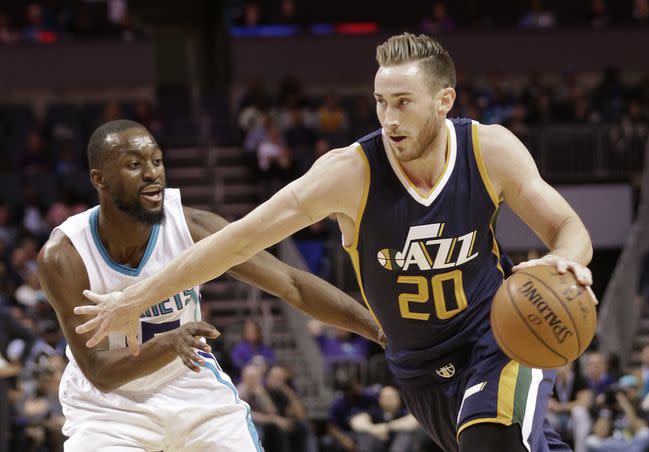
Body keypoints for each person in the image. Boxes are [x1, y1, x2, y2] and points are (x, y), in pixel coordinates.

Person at [77, 33, 595, 452]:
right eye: (380, 102)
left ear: (444, 102)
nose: (389, 118)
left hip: (499, 334)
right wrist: (136, 297)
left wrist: (565, 264)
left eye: (403, 103)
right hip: (418, 367)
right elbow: (237, 242)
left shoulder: (491, 150)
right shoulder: (349, 172)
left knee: (492, 438)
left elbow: (569, 230)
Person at [36, 120, 383, 451]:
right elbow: (100, 373)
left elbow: (292, 283)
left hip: (190, 386)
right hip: (108, 409)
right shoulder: (65, 256)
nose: (151, 172)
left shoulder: (192, 228)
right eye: (133, 164)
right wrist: (169, 342)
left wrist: (381, 332)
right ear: (100, 180)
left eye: (157, 161)